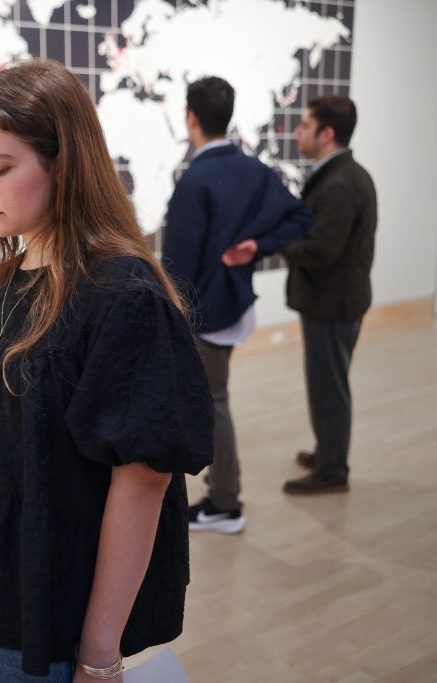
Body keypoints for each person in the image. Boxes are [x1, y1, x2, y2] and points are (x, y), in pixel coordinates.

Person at [0, 60, 213, 682]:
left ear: (63, 164)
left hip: (52, 609)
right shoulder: (12, 277)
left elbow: (143, 480)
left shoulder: (123, 296)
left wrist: (99, 654)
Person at [162, 76, 312, 534]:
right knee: (216, 399)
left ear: (191, 118)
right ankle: (225, 492)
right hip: (232, 303)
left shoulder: (196, 180)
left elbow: (178, 265)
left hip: (202, 311)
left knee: (214, 402)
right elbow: (301, 216)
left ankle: (226, 502)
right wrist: (257, 245)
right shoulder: (253, 168)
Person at [280, 96, 377, 495]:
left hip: (331, 303)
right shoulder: (344, 174)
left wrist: (280, 240)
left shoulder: (339, 183)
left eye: (305, 125)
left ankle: (333, 470)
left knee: (329, 387)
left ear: (328, 133)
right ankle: (328, 451)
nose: (298, 132)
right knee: (326, 383)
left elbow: (322, 251)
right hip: (334, 300)